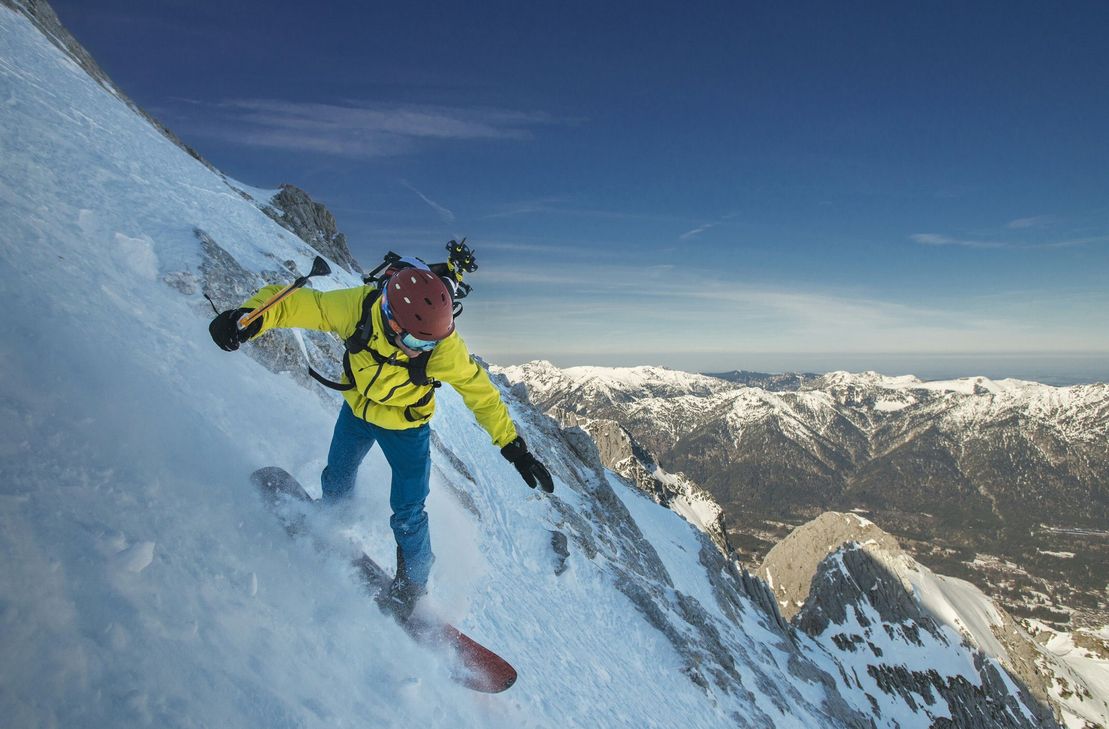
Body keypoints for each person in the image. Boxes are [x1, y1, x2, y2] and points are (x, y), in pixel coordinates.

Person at [209, 257, 553, 621]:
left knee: (408, 512)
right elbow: (297, 303)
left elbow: (481, 394)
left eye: (428, 343)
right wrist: (247, 318)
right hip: (357, 411)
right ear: (389, 315)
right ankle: (328, 520)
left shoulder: (441, 346)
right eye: (412, 340)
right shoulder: (358, 309)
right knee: (338, 475)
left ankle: (411, 591)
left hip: (406, 428)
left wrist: (514, 448)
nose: (420, 350)